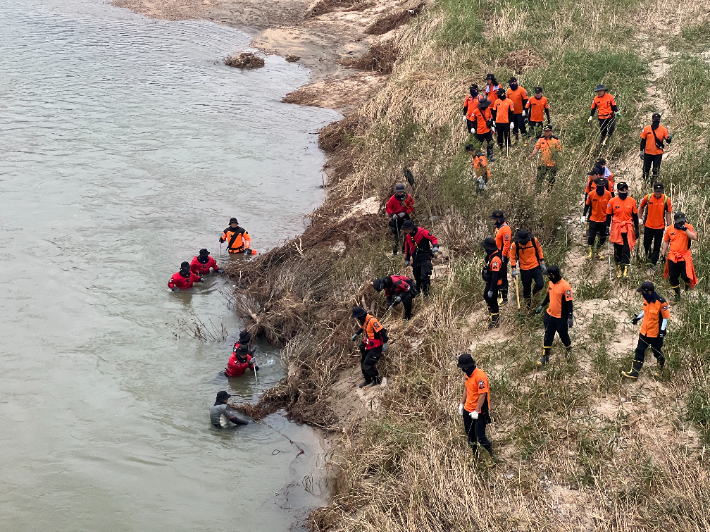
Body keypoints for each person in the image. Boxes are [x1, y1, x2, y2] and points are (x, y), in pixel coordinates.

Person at [622, 282, 670, 379]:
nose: (642, 293)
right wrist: (637, 318)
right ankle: (634, 372)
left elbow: (665, 317)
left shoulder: (661, 302)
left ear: (649, 292)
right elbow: (645, 311)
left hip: (655, 333)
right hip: (644, 331)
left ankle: (660, 371)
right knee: (639, 350)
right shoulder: (646, 300)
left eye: (643, 291)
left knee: (656, 351)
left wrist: (662, 330)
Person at [456, 353, 494, 467]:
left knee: (480, 435)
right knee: (470, 434)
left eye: (464, 367)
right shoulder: (468, 375)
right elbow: (466, 389)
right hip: (468, 409)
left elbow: (483, 394)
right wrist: (462, 404)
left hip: (479, 411)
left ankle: (489, 457)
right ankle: (474, 455)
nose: (463, 369)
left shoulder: (480, 376)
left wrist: (477, 411)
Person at [534, 266, 573, 366]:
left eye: (548, 275)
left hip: (561, 317)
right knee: (548, 336)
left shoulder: (565, 286)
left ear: (553, 275)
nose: (547, 277)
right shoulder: (551, 283)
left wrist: (570, 317)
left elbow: (569, 303)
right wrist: (542, 306)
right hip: (550, 315)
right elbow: (549, 296)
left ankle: (569, 351)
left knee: (563, 335)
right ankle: (545, 358)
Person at [662, 212, 698, 301]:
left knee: (686, 276)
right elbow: (666, 241)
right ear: (675, 221)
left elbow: (695, 237)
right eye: (679, 222)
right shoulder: (669, 229)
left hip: (684, 256)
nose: (680, 223)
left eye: (682, 221)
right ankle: (677, 296)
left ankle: (687, 284)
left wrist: (685, 229)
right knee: (673, 277)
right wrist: (663, 254)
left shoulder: (689, 227)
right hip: (673, 256)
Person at [606, 182, 639, 278]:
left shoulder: (632, 201)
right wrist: (607, 227)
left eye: (625, 190)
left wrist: (637, 229)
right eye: (621, 190)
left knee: (626, 248)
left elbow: (635, 216)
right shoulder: (612, 202)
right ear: (618, 191)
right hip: (617, 228)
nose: (624, 192)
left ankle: (625, 270)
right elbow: (608, 215)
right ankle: (619, 269)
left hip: (628, 228)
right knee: (617, 249)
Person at [350, 307, 388, 388]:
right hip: (369, 345)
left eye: (358, 317)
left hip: (377, 346)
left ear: (361, 315)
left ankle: (377, 380)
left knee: (368, 363)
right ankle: (367, 380)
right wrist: (356, 334)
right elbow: (362, 328)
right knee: (363, 362)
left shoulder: (372, 321)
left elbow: (382, 332)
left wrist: (385, 343)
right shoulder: (364, 321)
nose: (358, 318)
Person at [402, 219, 439, 299]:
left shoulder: (422, 232)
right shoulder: (408, 236)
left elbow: (433, 238)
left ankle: (426, 294)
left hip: (425, 257)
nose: (404, 231)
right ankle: (418, 293)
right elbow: (407, 248)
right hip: (416, 259)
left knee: (424, 276)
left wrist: (435, 247)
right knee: (417, 277)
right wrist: (407, 259)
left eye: (405, 229)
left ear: (410, 228)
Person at [509, 229, 546, 309]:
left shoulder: (534, 240)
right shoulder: (515, 245)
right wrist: (514, 269)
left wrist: (542, 263)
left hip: (535, 267)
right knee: (526, 290)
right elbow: (512, 257)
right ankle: (528, 307)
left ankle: (535, 292)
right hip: (524, 270)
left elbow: (539, 251)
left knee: (540, 284)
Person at [639, 182, 672, 268]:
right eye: (656, 191)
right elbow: (641, 207)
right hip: (648, 225)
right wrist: (640, 218)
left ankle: (653, 262)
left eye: (659, 191)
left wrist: (669, 225)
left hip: (660, 227)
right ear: (654, 191)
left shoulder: (666, 199)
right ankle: (648, 257)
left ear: (662, 191)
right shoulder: (648, 198)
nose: (658, 193)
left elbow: (668, 212)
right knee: (646, 243)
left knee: (657, 246)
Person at [583, 178, 611, 259]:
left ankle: (599, 252)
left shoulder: (608, 194)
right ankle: (590, 252)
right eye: (599, 185)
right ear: (596, 185)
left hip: (604, 220)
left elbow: (611, 206)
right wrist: (584, 215)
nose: (601, 186)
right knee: (591, 237)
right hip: (593, 219)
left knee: (602, 237)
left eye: (602, 185)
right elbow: (587, 205)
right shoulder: (591, 194)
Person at [640, 113, 672, 183]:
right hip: (647, 153)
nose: (656, 121)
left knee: (656, 170)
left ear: (659, 120)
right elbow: (643, 141)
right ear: (652, 120)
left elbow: (668, 141)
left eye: (657, 120)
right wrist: (641, 151)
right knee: (646, 170)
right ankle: (645, 183)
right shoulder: (646, 129)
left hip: (658, 154)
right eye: (655, 120)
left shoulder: (663, 129)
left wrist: (669, 138)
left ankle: (653, 184)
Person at [529, 125, 561, 193]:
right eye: (545, 131)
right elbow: (536, 148)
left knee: (551, 179)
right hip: (543, 162)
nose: (545, 132)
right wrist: (532, 155)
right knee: (539, 178)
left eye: (547, 131)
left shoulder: (556, 139)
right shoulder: (541, 139)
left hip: (552, 163)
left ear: (551, 131)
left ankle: (549, 191)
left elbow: (559, 150)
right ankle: (537, 191)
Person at [385, 183, 415, 256]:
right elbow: (388, 207)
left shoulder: (408, 197)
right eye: (398, 192)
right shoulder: (392, 199)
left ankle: (405, 250)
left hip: (405, 217)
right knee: (396, 235)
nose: (400, 193)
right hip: (396, 218)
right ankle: (395, 252)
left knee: (408, 233)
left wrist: (406, 212)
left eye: (401, 191)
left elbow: (412, 207)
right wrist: (392, 214)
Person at [481, 238, 503, 328]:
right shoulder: (491, 257)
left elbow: (495, 275)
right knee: (486, 296)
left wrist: (491, 289)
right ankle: (492, 315)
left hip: (495, 284)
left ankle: (495, 320)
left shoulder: (495, 260)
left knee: (493, 301)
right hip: (490, 282)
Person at [491, 210, 511, 303]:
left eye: (494, 219)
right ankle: (500, 291)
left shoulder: (505, 229)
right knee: (497, 274)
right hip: (497, 254)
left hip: (503, 255)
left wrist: (503, 256)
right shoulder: (498, 228)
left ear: (498, 220)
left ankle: (505, 297)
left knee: (503, 275)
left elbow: (506, 245)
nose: (493, 221)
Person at [492, 88, 514, 154]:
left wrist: (511, 122)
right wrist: (493, 120)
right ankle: (501, 148)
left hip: (506, 122)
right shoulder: (496, 102)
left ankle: (508, 147)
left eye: (499, 94)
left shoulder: (509, 102)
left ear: (503, 94)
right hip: (498, 122)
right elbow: (494, 112)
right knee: (499, 136)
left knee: (507, 135)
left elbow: (511, 112)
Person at [506, 77, 528, 144]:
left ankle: (525, 139)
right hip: (512, 113)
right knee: (514, 127)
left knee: (521, 126)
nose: (510, 85)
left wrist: (525, 110)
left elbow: (526, 101)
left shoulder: (521, 90)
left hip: (520, 112)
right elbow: (506, 101)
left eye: (511, 83)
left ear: (515, 82)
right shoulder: (508, 91)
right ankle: (516, 140)